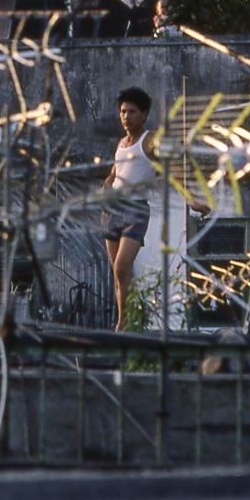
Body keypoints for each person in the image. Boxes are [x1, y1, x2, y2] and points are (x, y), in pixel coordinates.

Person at [100, 86, 157, 331]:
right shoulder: (122, 143)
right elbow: (114, 174)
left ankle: (124, 322)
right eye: (123, 111)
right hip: (113, 209)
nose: (126, 116)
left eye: (132, 112)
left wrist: (193, 199)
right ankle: (129, 318)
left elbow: (174, 169)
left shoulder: (150, 140)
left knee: (123, 267)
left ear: (143, 114)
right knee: (118, 273)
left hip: (135, 210)